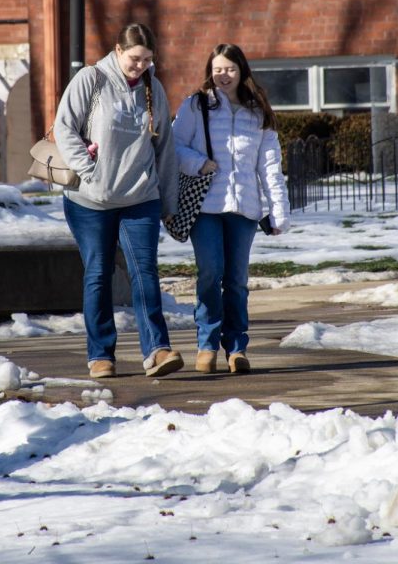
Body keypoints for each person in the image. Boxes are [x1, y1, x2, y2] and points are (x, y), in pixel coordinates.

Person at [54, 23, 183, 379]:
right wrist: (89, 170)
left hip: (140, 197)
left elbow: (165, 150)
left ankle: (156, 350)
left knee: (146, 274)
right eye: (134, 58)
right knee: (98, 274)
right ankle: (100, 355)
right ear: (117, 50)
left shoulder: (152, 89)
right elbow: (64, 127)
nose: (140, 66)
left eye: (147, 60)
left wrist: (169, 204)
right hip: (90, 201)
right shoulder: (91, 80)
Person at [172, 43, 290, 374]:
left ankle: (236, 348)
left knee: (236, 280)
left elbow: (270, 167)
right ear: (210, 70)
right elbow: (174, 145)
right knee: (210, 273)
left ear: (242, 72)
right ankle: (206, 344)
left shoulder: (258, 112)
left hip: (245, 210)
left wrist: (278, 210)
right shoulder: (197, 106)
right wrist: (199, 163)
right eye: (218, 68)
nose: (224, 75)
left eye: (231, 69)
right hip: (206, 207)